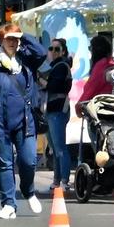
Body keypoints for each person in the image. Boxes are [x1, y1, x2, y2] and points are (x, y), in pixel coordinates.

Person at [0, 24, 46, 218]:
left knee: (28, 161)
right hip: (0, 123)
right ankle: (9, 204)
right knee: (4, 163)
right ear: (1, 41)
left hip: (25, 121)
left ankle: (28, 191)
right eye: (8, 39)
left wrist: (22, 35)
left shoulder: (27, 61)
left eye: (15, 39)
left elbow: (42, 52)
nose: (12, 42)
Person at [42, 37, 76, 191]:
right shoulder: (55, 66)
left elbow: (53, 87)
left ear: (63, 51)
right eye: (51, 48)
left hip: (58, 111)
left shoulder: (61, 66)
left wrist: (41, 82)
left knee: (60, 147)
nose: (53, 52)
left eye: (57, 49)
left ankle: (64, 180)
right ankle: (57, 180)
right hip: (52, 110)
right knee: (55, 148)